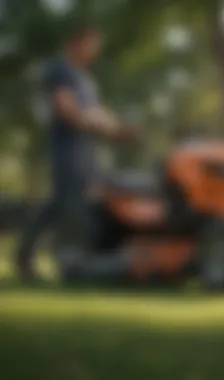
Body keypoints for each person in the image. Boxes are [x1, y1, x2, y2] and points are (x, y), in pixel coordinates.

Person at [15, 24, 137, 282]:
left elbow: (97, 113)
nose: (94, 51)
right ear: (74, 43)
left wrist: (119, 129)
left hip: (86, 153)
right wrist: (98, 126)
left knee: (62, 204)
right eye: (90, 44)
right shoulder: (60, 70)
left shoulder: (86, 79)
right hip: (67, 151)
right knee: (68, 205)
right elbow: (65, 108)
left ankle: (26, 256)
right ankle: (66, 262)